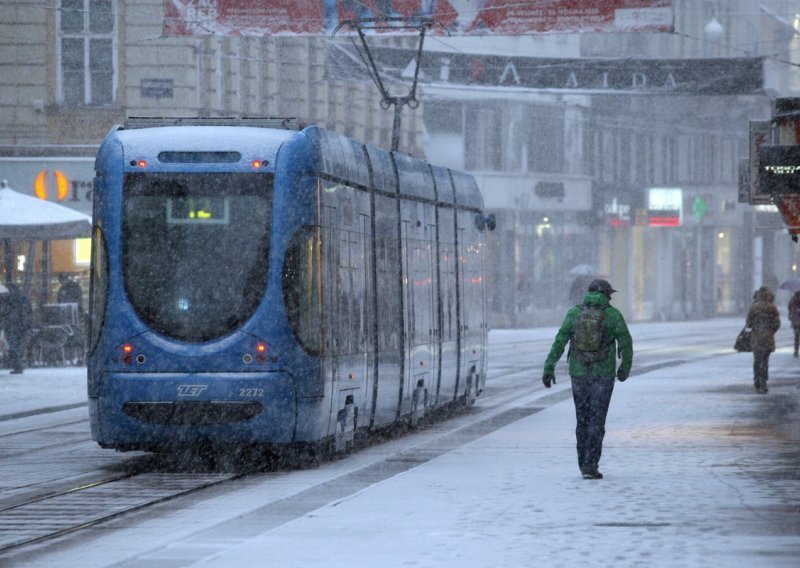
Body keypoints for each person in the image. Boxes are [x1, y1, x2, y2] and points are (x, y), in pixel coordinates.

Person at [541, 278, 633, 480]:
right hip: (603, 374)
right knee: (597, 420)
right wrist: (624, 369)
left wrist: (549, 367)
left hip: (579, 373)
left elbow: (560, 340)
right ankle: (591, 464)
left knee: (582, 419)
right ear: (606, 295)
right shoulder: (612, 315)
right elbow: (626, 342)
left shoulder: (574, 313)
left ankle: (583, 462)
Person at [746, 286, 781, 394]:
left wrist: (756, 326)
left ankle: (757, 380)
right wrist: (770, 331)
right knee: (765, 361)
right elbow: (777, 324)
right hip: (768, 339)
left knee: (757, 360)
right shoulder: (772, 307)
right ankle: (764, 382)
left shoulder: (753, 307)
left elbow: (748, 324)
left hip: (756, 338)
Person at [2, 283, 34, 374]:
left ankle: (18, 366)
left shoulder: (7, 300)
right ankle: (19, 365)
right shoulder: (23, 298)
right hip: (23, 326)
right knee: (19, 347)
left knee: (14, 346)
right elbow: (29, 312)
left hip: (13, 326)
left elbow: (5, 313)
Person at [788, 290, 800, 357]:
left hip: (795, 322)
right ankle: (796, 350)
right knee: (797, 337)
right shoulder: (793, 301)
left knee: (796, 337)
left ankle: (796, 350)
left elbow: (789, 309)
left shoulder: (792, 300)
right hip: (796, 321)